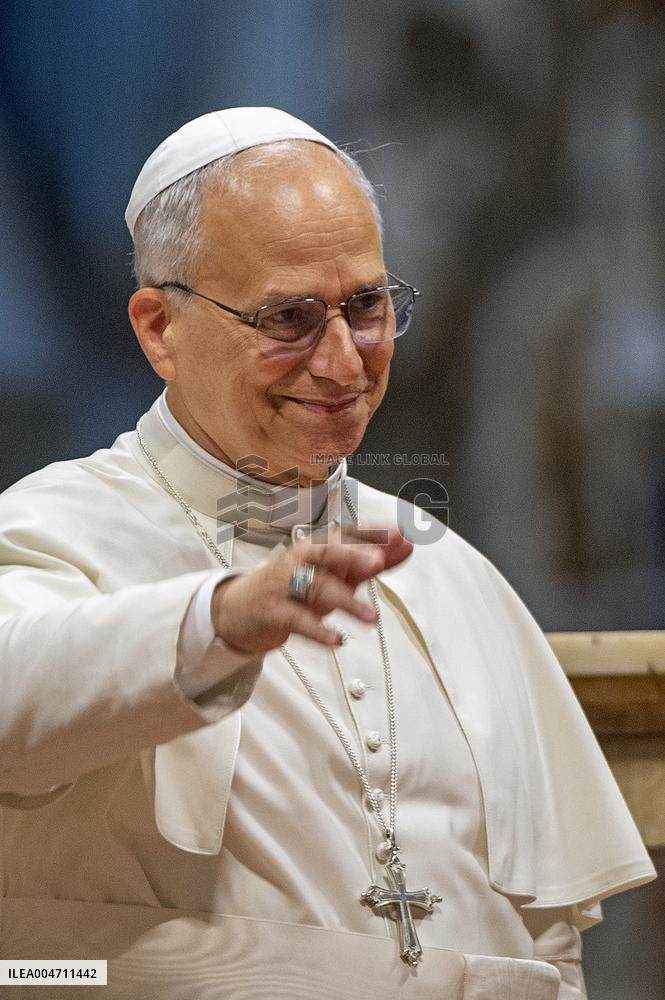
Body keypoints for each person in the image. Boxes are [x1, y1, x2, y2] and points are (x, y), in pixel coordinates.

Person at [0, 107, 655, 1000]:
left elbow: (546, 936)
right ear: (159, 328)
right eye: (290, 318)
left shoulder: (448, 572)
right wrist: (217, 619)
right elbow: (20, 686)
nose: (344, 361)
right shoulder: (53, 525)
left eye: (367, 305)